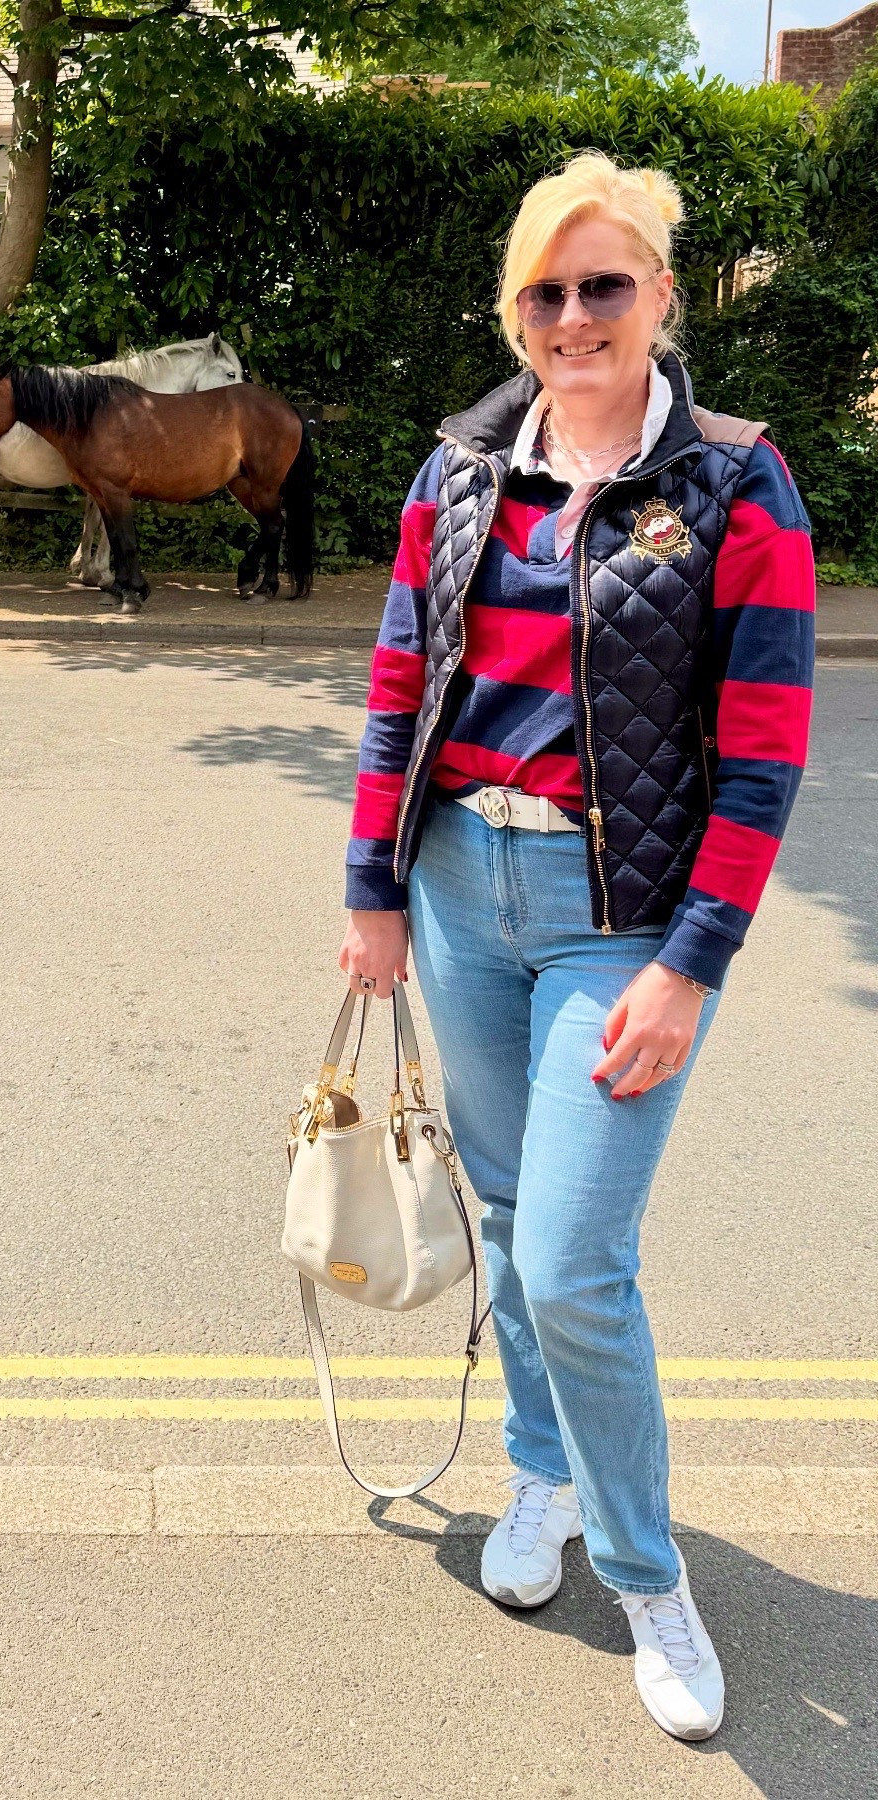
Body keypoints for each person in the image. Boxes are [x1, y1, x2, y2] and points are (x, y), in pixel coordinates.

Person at [338, 151, 815, 1742]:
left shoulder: (741, 483)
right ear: (515, 312)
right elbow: (404, 686)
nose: (572, 315)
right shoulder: (459, 467)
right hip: (464, 889)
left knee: (574, 1265)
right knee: (511, 1210)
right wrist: (372, 894)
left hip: (627, 927)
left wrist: (694, 967)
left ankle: (646, 1571)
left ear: (661, 297)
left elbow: (762, 757)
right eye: (545, 291)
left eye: (604, 284)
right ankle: (536, 1471)